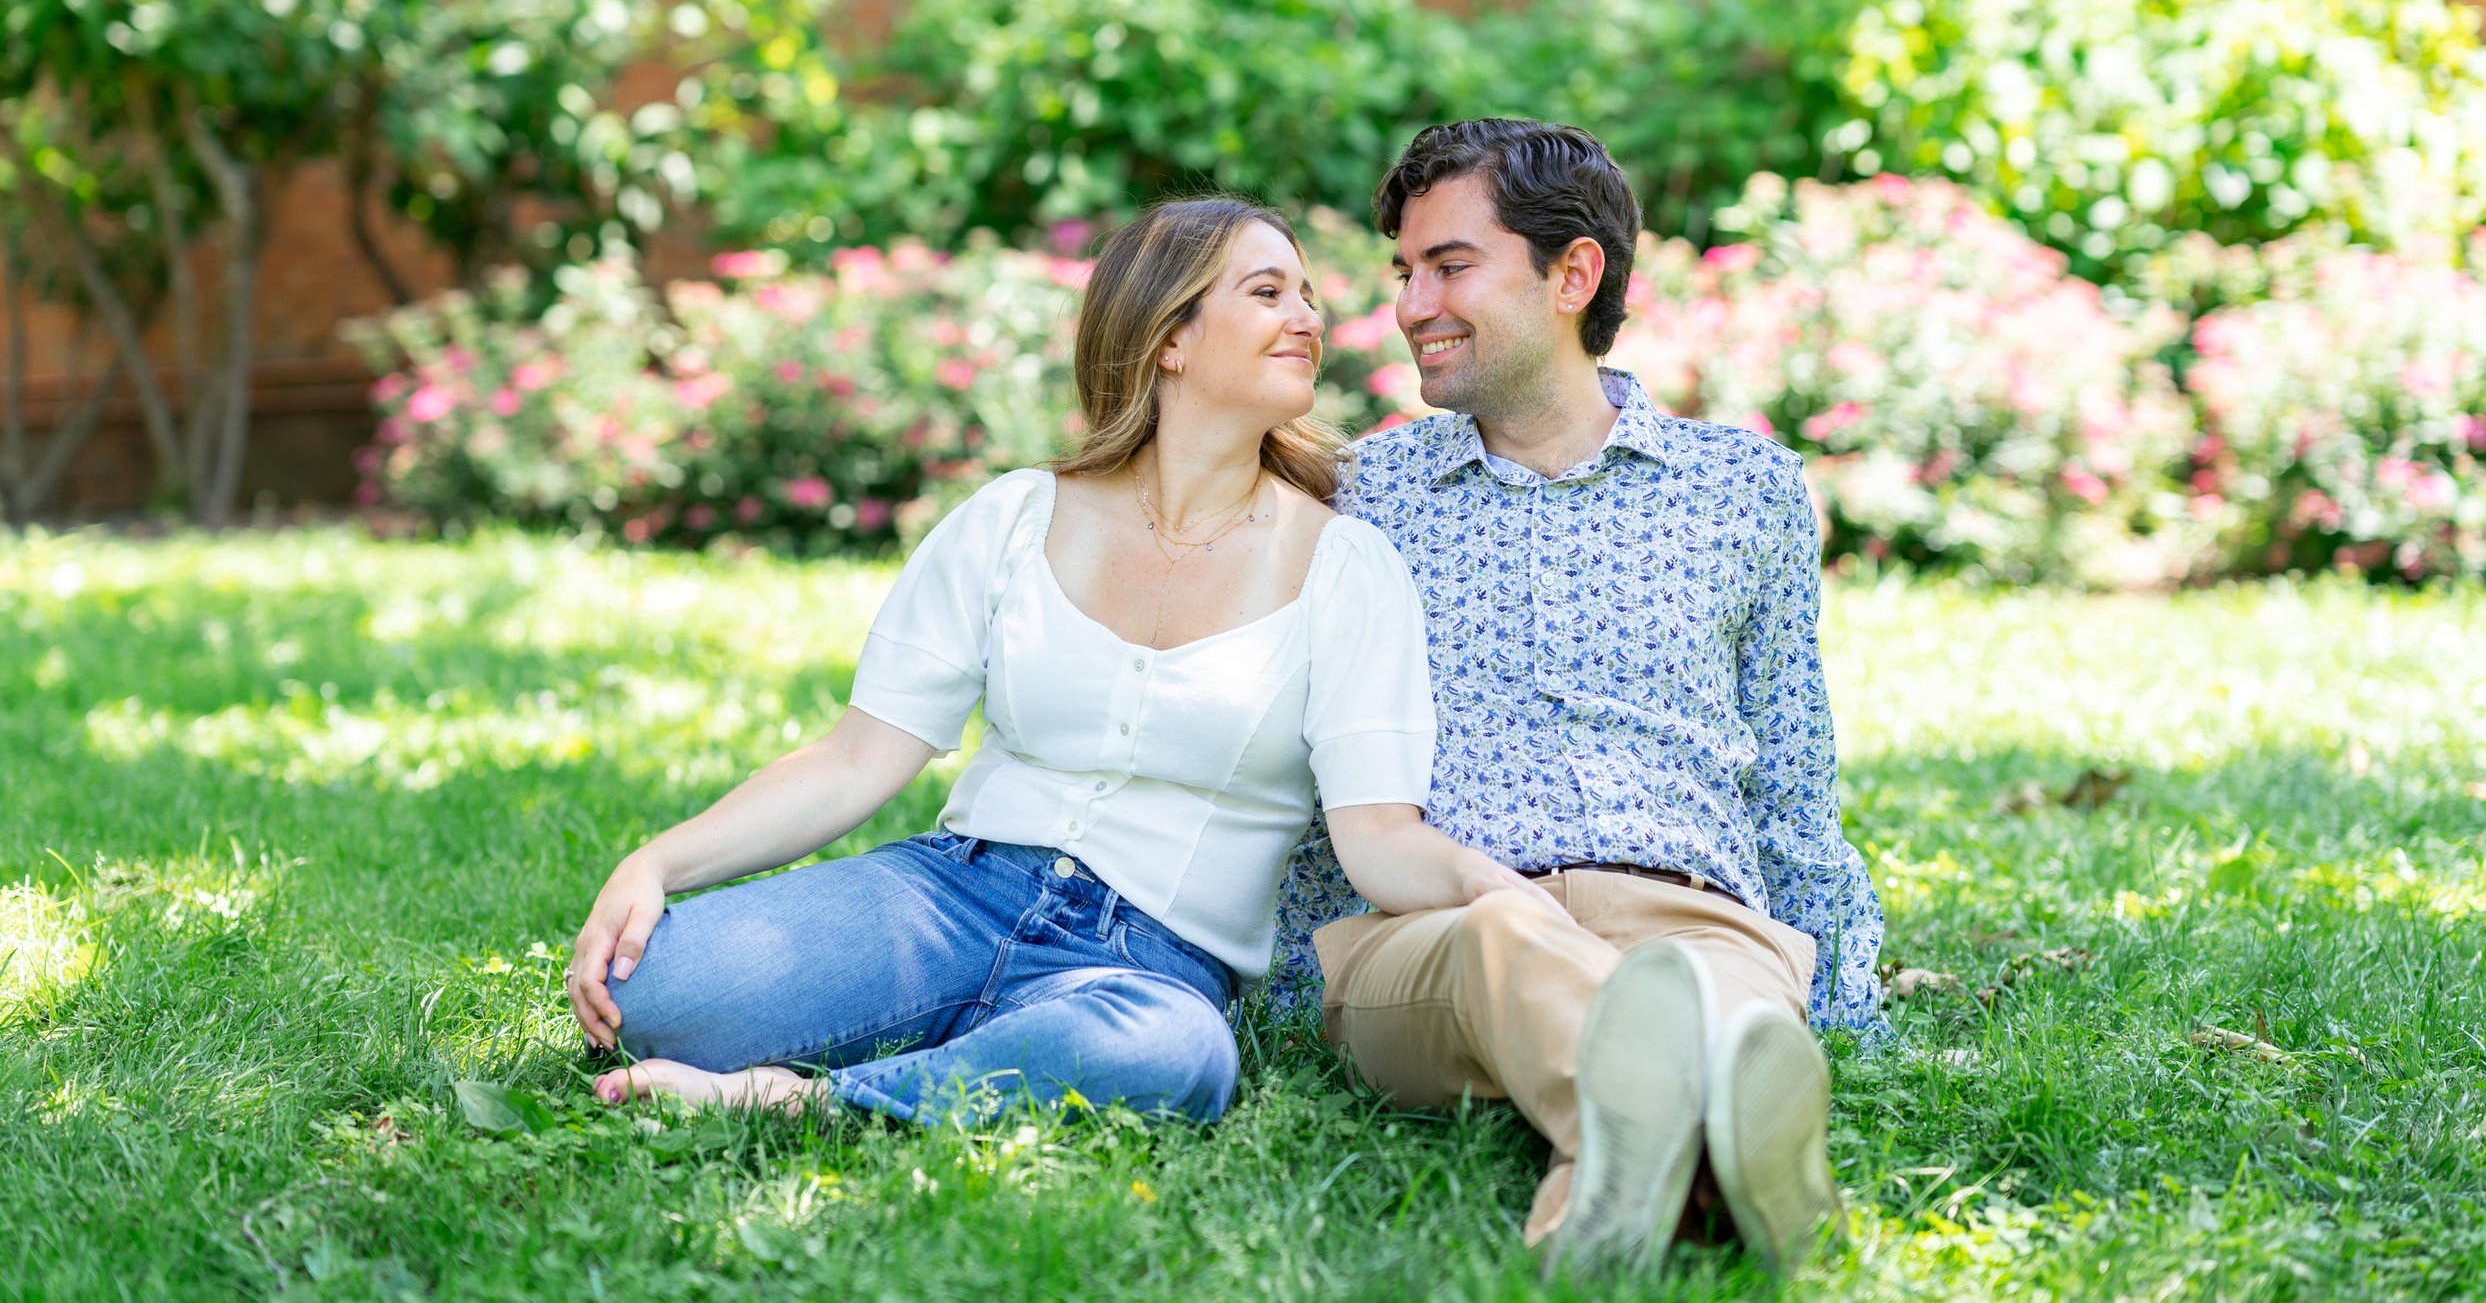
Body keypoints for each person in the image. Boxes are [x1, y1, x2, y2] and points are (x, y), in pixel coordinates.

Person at [564, 196, 1576, 1127]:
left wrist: (1503, 898)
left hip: (1149, 967)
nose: (1307, 314)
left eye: (1306, 292)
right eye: (1267, 293)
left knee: (1177, 1055)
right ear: (1167, 338)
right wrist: (659, 862)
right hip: (952, 897)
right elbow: (856, 759)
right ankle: (981, 1054)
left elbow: (1380, 841)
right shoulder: (1014, 518)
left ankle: (805, 1103)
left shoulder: (1345, 566)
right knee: (653, 989)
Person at [1270, 119, 1889, 1280]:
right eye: (1404, 272)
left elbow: (1794, 771)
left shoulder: (1742, 486)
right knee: (1520, 943)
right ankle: (1741, 1169)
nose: (1410, 305)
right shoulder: (1358, 495)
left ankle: (1606, 1203)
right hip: (1439, 937)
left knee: (1731, 1005)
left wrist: (1840, 983)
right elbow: (1308, 766)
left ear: (1573, 273)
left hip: (1696, 916)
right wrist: (1292, 978)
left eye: (1449, 266)